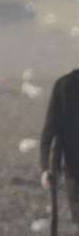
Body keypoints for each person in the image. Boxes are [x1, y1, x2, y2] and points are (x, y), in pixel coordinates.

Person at [40, 70, 79, 219]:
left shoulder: (65, 84)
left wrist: (47, 168)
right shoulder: (65, 85)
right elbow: (51, 131)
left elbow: (50, 131)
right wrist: (47, 168)